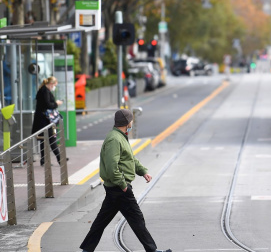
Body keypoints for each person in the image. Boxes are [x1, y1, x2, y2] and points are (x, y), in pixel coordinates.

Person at [80, 109, 171, 252]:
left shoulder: (120, 136)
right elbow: (111, 166)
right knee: (136, 219)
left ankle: (87, 249)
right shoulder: (114, 139)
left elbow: (130, 159)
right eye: (131, 120)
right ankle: (152, 250)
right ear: (126, 122)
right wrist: (123, 185)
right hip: (119, 189)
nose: (132, 122)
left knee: (101, 221)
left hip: (116, 189)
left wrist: (143, 171)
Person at [32, 76, 63, 166]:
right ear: (51, 84)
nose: (55, 87)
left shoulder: (44, 90)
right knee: (51, 139)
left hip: (43, 120)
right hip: (45, 120)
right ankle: (60, 159)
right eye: (55, 85)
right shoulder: (45, 91)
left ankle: (44, 160)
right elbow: (49, 105)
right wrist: (56, 103)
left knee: (44, 139)